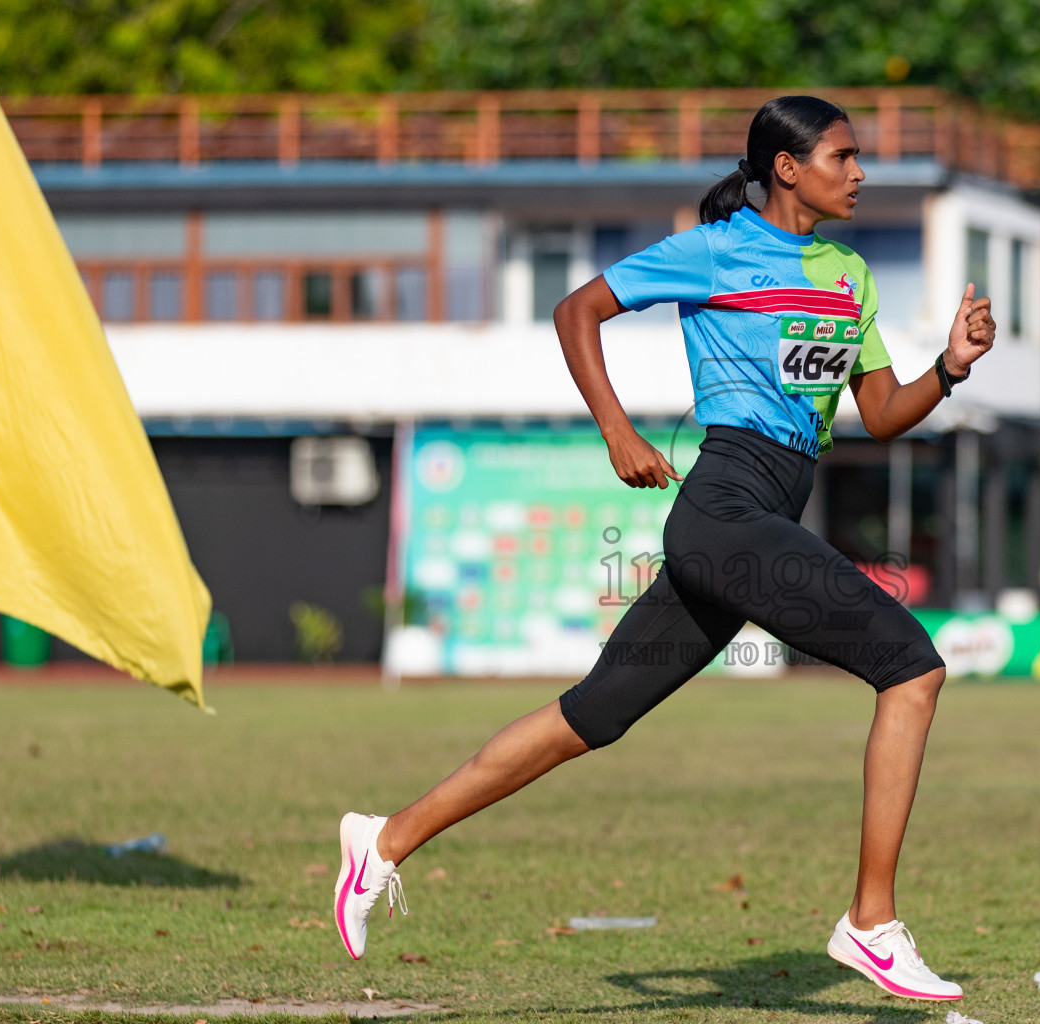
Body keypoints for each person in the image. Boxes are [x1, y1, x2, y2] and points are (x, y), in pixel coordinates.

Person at [333, 95, 996, 1003]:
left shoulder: (850, 274)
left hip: (763, 514)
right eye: (843, 156)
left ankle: (383, 839)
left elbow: (880, 415)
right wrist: (616, 432)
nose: (860, 172)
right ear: (787, 169)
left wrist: (950, 368)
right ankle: (871, 924)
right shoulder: (716, 248)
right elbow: (578, 311)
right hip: (723, 510)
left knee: (591, 716)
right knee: (911, 670)